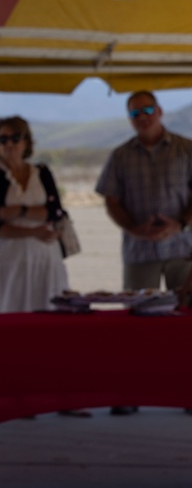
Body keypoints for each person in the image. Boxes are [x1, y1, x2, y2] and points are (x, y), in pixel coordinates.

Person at [95, 90, 192, 416]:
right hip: (140, 251)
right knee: (136, 324)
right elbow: (111, 199)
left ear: (160, 111)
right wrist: (133, 228)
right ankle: (130, 391)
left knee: (187, 319)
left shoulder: (186, 148)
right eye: (135, 113)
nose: (143, 117)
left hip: (184, 249)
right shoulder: (120, 156)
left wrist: (180, 224)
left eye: (147, 109)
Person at [0, 116, 70, 313]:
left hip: (45, 257)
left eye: (15, 138)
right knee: (8, 310)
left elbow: (55, 212)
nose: (9, 144)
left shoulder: (42, 172)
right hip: (8, 259)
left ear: (26, 141)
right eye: (2, 139)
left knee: (47, 311)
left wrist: (19, 211)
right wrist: (34, 229)